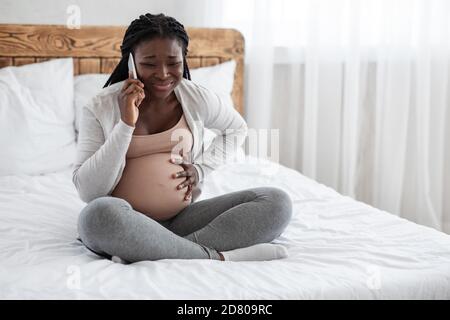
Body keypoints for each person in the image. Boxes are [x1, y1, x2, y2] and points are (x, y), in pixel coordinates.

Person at [73, 13, 292, 263]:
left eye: (173, 62)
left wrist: (201, 169)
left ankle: (151, 248)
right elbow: (89, 191)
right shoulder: (100, 107)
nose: (163, 74)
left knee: (276, 202)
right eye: (150, 63)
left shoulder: (196, 97)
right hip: (125, 218)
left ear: (184, 60)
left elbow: (236, 129)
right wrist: (126, 123)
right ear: (131, 62)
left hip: (182, 221)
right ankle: (216, 257)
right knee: (97, 216)